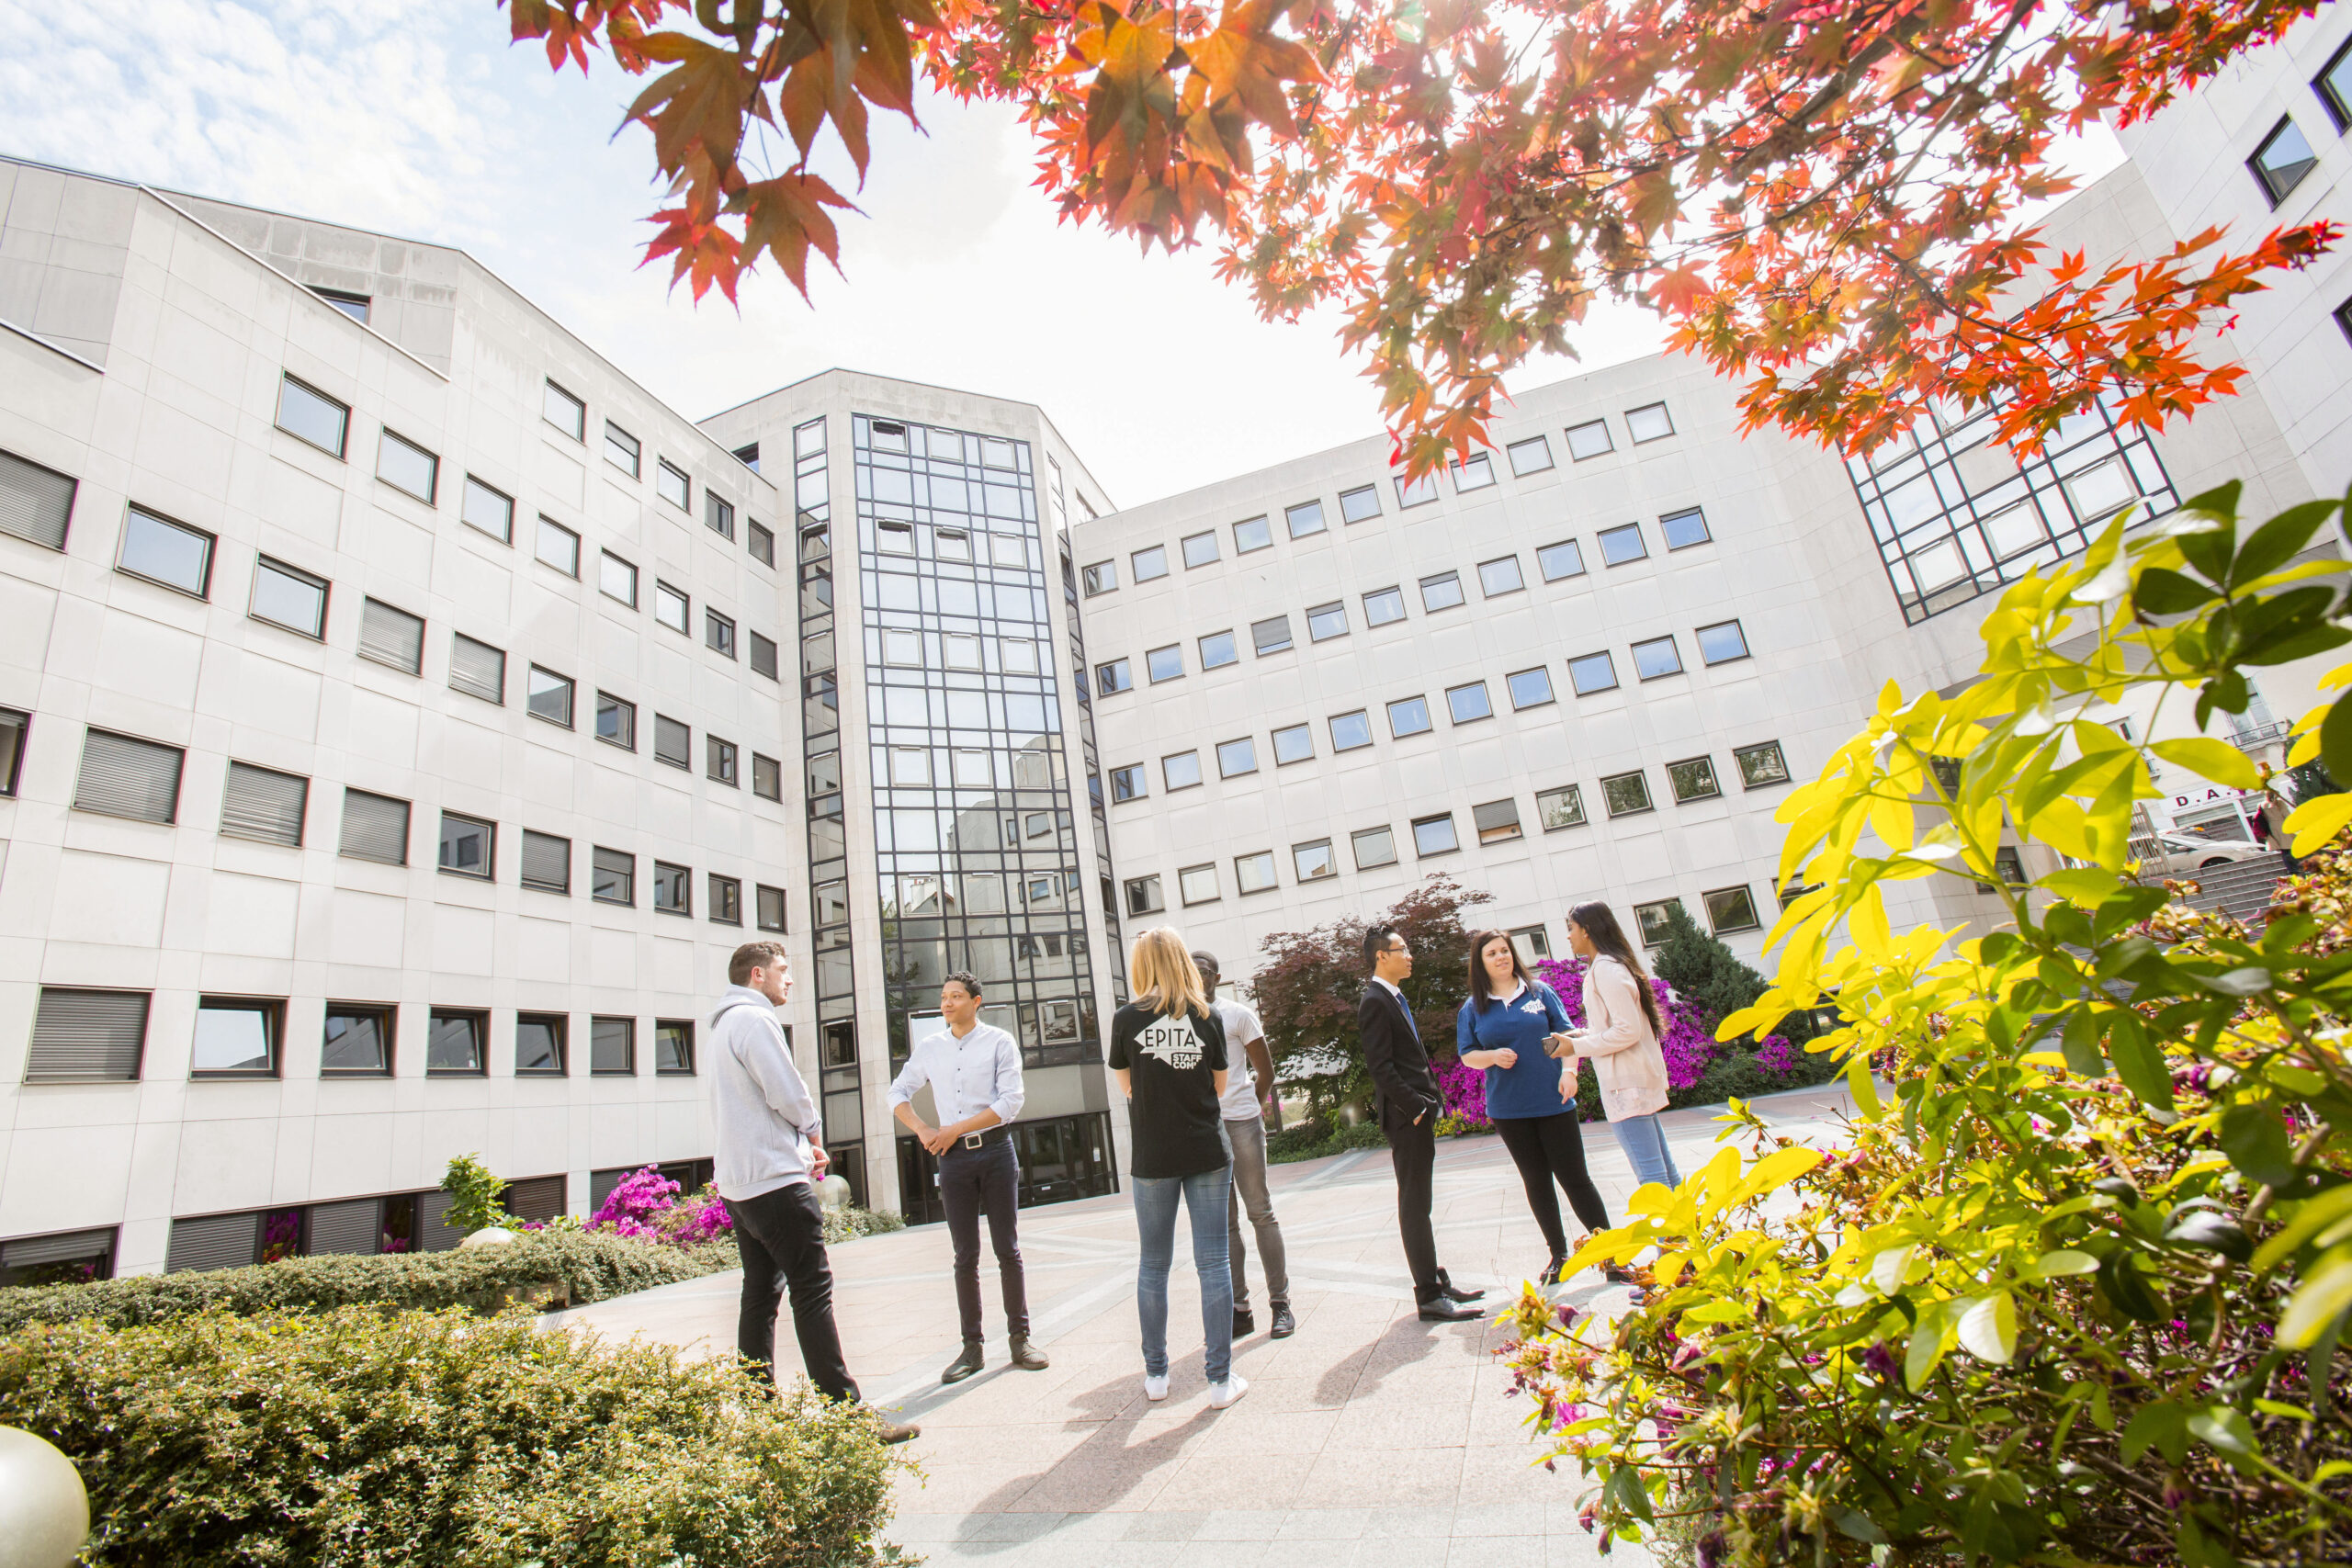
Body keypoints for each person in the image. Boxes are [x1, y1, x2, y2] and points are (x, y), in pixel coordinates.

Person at [709, 941, 917, 1443]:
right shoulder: (755, 1021)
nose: (790, 980)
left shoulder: (719, 1026)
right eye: (784, 970)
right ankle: (847, 1415)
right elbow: (787, 1091)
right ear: (757, 975)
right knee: (812, 1290)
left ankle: (758, 1413)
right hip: (775, 1181)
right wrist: (814, 1135)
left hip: (739, 1185)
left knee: (759, 1294)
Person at [887, 971, 1050, 1384]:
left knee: (1007, 1250)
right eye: (943, 997)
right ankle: (972, 1348)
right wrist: (924, 1130)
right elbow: (897, 1093)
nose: (947, 1003)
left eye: (956, 996)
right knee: (965, 1256)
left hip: (996, 1151)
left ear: (976, 1001)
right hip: (954, 1161)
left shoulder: (999, 1041)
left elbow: (1010, 1102)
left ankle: (1020, 1339)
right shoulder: (931, 1047)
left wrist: (953, 1129)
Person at [1109, 928, 1248, 1408]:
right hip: (1206, 1150)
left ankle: (1156, 1376)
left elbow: (1126, 1086)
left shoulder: (1126, 1020)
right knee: (1214, 1262)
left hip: (1152, 1156)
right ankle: (1218, 1381)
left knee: (1153, 1265)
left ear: (1141, 964)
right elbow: (1220, 1087)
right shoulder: (1208, 1017)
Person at [1454, 928, 1612, 1285]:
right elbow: (1467, 1056)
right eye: (1491, 953)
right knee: (1536, 1181)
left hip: (1554, 1101)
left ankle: (1610, 1254)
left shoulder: (1540, 993)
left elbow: (1570, 1036)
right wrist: (1492, 1056)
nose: (1501, 957)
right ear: (1481, 963)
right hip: (1510, 1110)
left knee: (1576, 1179)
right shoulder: (1473, 1008)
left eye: (1504, 950)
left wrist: (1570, 1072)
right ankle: (1559, 1254)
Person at [1359, 923, 1485, 1323]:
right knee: (1414, 1205)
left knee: (1422, 1203)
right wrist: (1416, 1107)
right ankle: (1428, 1295)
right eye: (1402, 948)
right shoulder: (1374, 1001)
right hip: (1405, 1118)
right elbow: (1381, 1067)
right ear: (1382, 956)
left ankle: (1435, 1278)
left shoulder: (1393, 998)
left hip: (1415, 1114)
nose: (1409, 954)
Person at [1193, 950, 1294, 1340]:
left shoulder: (1237, 1014)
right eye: (1191, 972)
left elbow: (1265, 1072)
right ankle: (1240, 1308)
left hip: (1242, 1123)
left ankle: (1280, 1304)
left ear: (1217, 977)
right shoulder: (1181, 1019)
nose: (1196, 978)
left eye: (1203, 972)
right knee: (1225, 1224)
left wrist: (1248, 1105)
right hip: (1206, 1129)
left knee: (1260, 1212)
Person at [1554, 904, 1684, 1190]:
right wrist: (1580, 1037)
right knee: (1664, 1171)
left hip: (1626, 1087)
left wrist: (1575, 1048)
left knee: (1652, 1177)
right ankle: (1689, 1233)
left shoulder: (1606, 970)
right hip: (1633, 1081)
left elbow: (1627, 1031)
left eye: (1571, 929)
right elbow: (1621, 1027)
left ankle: (1670, 1237)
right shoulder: (1613, 965)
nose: (1568, 937)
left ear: (1586, 930)